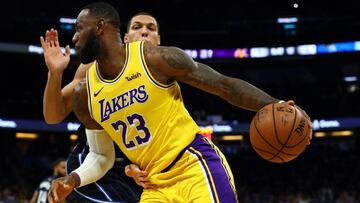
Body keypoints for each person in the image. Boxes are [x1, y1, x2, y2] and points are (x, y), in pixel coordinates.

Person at [41, 2, 312, 202]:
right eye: (137, 26)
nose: (74, 37)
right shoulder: (84, 92)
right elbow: (101, 156)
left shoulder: (153, 59)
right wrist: (72, 178)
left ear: (100, 27)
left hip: (193, 164)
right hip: (153, 185)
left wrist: (274, 104)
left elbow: (223, 85)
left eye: (78, 28)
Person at [42, 12, 161, 202]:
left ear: (159, 40)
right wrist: (55, 74)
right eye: (137, 27)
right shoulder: (95, 66)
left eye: (151, 28)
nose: (144, 32)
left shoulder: (167, 77)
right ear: (126, 38)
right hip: (92, 160)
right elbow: (53, 116)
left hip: (134, 172)